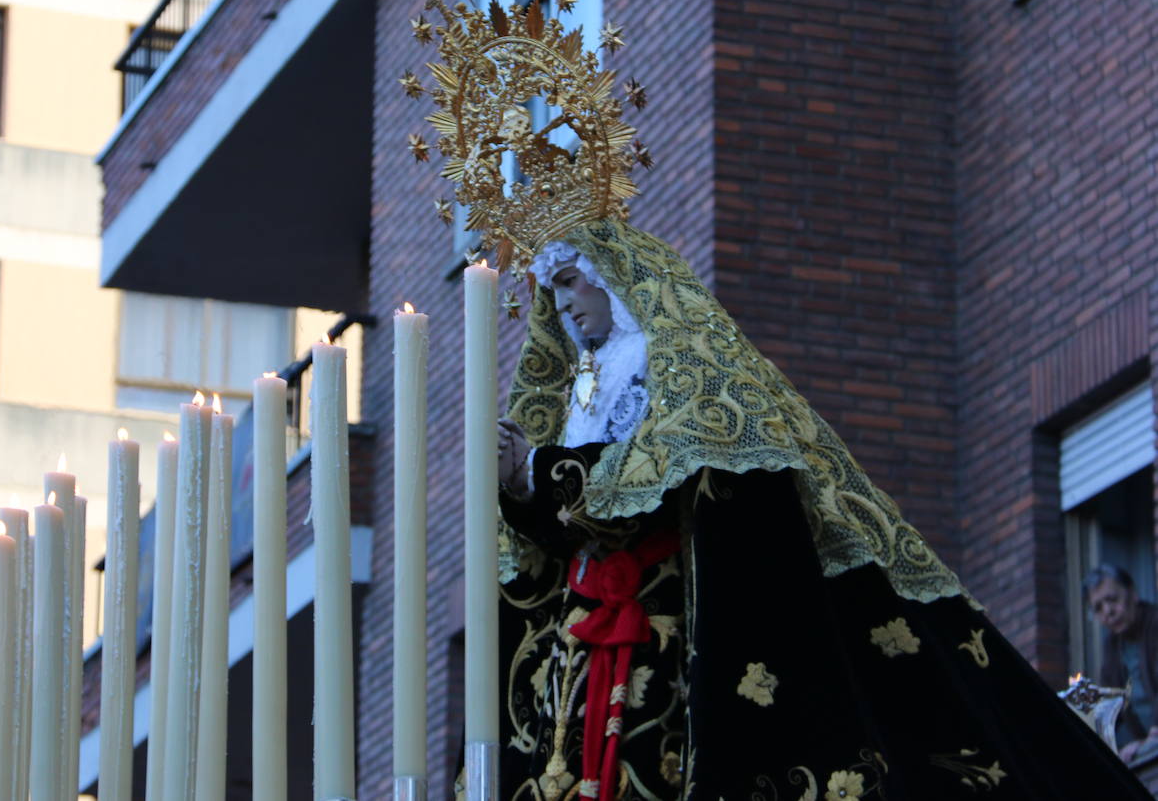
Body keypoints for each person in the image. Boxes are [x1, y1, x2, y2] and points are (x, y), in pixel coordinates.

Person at [493, 219, 1154, 800]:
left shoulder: (686, 368)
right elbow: (568, 527)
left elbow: (668, 476)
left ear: (613, 275)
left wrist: (541, 469)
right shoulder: (580, 396)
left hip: (680, 636)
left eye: (573, 282)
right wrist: (522, 491)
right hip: (593, 651)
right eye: (552, 293)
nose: (564, 305)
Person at [1088, 563, 1158, 761]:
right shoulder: (1111, 647)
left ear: (1133, 594)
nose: (1108, 611)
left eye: (1112, 599)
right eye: (1098, 607)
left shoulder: (1155, 623)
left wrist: (1152, 736)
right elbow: (1108, 707)